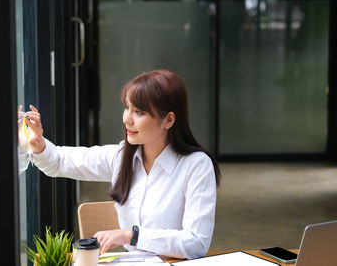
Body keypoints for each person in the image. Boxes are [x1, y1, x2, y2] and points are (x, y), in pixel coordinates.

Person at [24, 69, 221, 259]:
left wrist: (131, 235)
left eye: (139, 112)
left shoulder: (196, 165)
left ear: (168, 120)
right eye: (127, 108)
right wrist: (39, 144)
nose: (127, 119)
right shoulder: (121, 156)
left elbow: (196, 243)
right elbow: (59, 161)